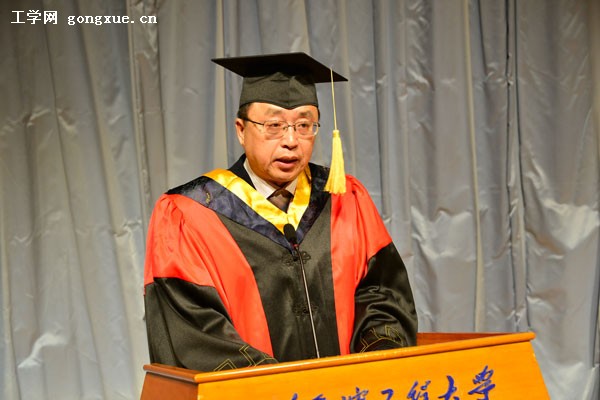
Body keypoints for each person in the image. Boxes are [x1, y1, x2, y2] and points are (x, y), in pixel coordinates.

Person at [143, 52, 417, 372]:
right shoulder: (189, 214)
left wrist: (377, 359)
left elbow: (382, 295)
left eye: (304, 125)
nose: (291, 140)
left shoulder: (346, 198)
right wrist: (280, 386)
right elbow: (193, 332)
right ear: (241, 130)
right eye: (274, 125)